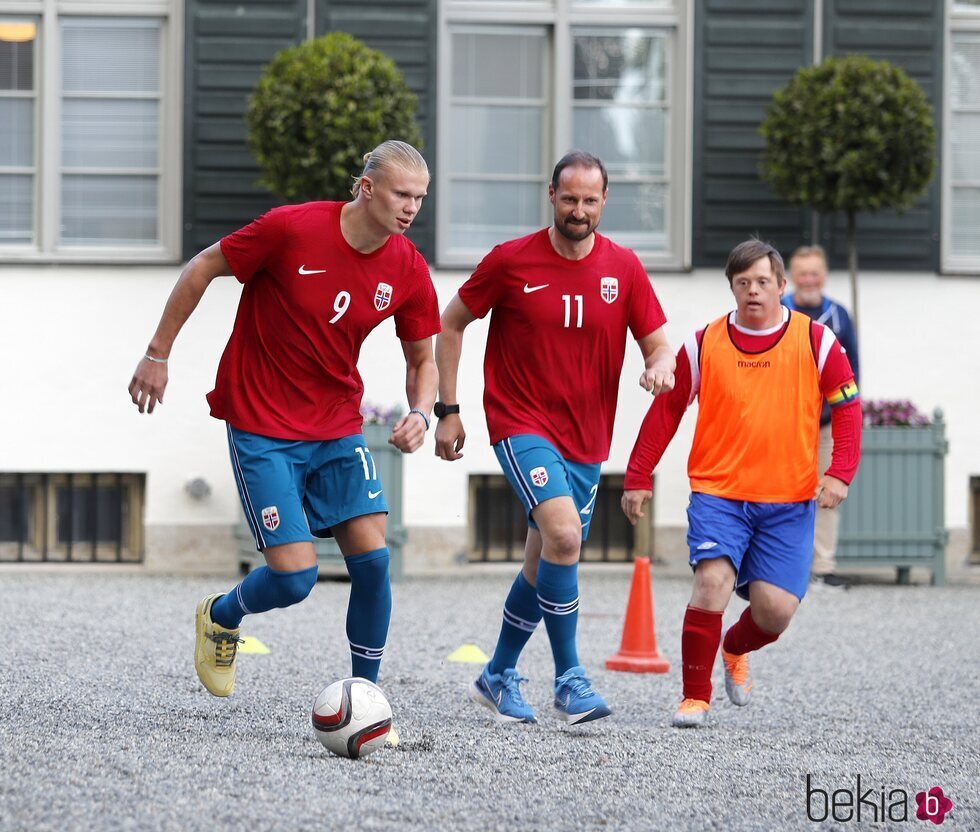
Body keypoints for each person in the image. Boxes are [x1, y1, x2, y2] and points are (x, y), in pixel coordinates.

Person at [128, 141, 440, 710]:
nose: (411, 208)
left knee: (373, 564)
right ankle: (221, 617)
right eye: (401, 194)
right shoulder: (291, 229)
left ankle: (365, 698)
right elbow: (203, 266)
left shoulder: (408, 267)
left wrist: (421, 412)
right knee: (295, 579)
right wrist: (157, 353)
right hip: (262, 422)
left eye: (419, 197)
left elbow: (423, 359)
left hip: (338, 424)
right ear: (367, 188)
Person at [435, 151, 675, 726]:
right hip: (520, 422)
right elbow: (450, 321)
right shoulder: (511, 260)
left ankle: (497, 673)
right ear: (551, 195)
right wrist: (448, 409)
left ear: (604, 202)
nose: (579, 210)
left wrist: (660, 367)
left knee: (546, 561)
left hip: (586, 438)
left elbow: (660, 343)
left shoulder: (624, 268)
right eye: (569, 198)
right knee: (565, 538)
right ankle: (570, 679)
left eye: (590, 200)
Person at [621, 239, 861, 729]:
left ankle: (735, 646)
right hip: (719, 493)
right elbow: (666, 411)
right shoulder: (704, 341)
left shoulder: (817, 341)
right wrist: (637, 474)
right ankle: (694, 697)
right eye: (743, 283)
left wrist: (839, 472)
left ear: (782, 286)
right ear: (732, 286)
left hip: (788, 500)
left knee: (774, 612)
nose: (753, 291)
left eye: (763, 283)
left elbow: (848, 408)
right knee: (712, 583)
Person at [783, 245, 860, 589]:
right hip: (782, 424)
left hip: (825, 425)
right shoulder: (777, 311)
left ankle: (823, 567)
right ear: (791, 277)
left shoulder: (840, 316)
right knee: (778, 491)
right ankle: (781, 565)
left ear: (824, 275)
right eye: (803, 273)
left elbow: (852, 374)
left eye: (815, 273)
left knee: (826, 492)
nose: (809, 280)